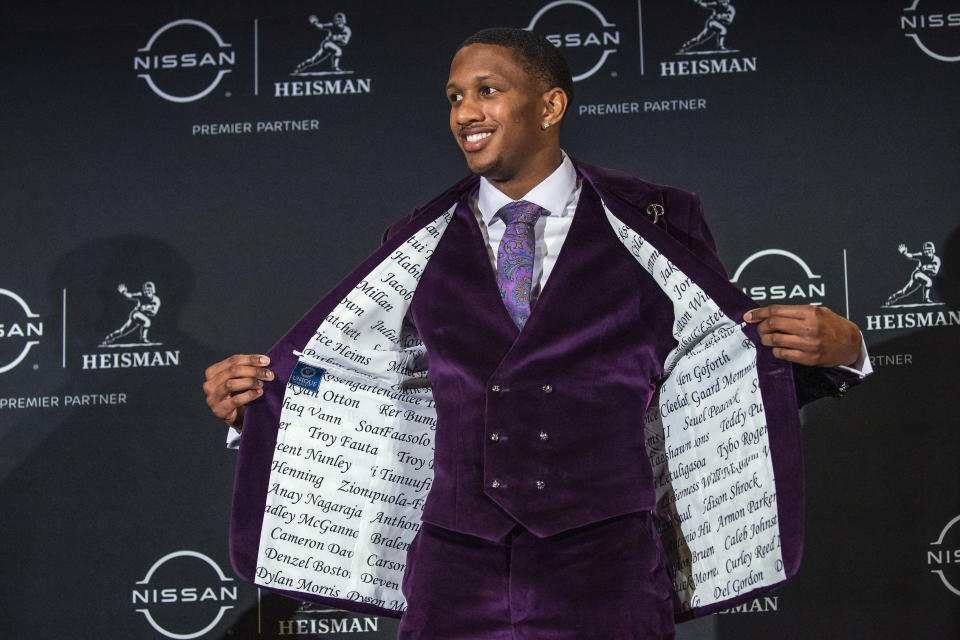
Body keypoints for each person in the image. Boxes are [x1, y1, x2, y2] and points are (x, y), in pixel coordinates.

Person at [204, 28, 868, 639]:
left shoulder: (661, 221)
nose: (465, 112)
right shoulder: (413, 240)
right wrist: (259, 400)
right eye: (455, 97)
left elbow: (722, 364)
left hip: (607, 570)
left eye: (487, 91)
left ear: (550, 106)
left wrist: (843, 354)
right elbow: (374, 379)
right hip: (452, 573)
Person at [884, 241, 941, 306]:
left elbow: (935, 272)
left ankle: (892, 297)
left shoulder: (936, 260)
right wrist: (904, 252)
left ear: (933, 250)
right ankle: (926, 298)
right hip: (917, 274)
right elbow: (911, 255)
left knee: (905, 292)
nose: (927, 252)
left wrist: (927, 268)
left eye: (929, 250)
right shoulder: (921, 255)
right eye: (926, 250)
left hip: (923, 277)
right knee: (929, 282)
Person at [102, 281, 160, 345]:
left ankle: (109, 337)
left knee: (122, 331)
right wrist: (124, 292)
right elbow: (131, 295)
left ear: (153, 290)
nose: (147, 292)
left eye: (149, 290)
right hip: (136, 314)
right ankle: (143, 338)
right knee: (147, 322)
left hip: (142, 316)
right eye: (145, 290)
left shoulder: (156, 300)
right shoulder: (141, 295)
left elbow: (154, 313)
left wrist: (146, 309)